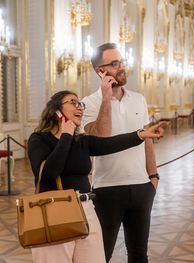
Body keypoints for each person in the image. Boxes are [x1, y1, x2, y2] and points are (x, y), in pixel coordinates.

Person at [28, 90, 165, 263]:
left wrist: (141, 135)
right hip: (55, 211)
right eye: (73, 102)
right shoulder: (38, 139)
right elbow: (49, 173)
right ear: (56, 110)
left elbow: (112, 143)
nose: (79, 107)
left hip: (86, 210)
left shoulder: (82, 141)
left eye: (80, 104)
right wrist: (65, 136)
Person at [81, 43, 160, 263]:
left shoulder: (139, 99)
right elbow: (100, 140)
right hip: (107, 190)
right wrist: (106, 98)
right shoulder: (88, 103)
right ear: (101, 71)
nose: (121, 67)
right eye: (114, 64)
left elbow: (147, 142)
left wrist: (153, 177)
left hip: (142, 187)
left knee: (138, 255)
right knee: (100, 256)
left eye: (122, 61)